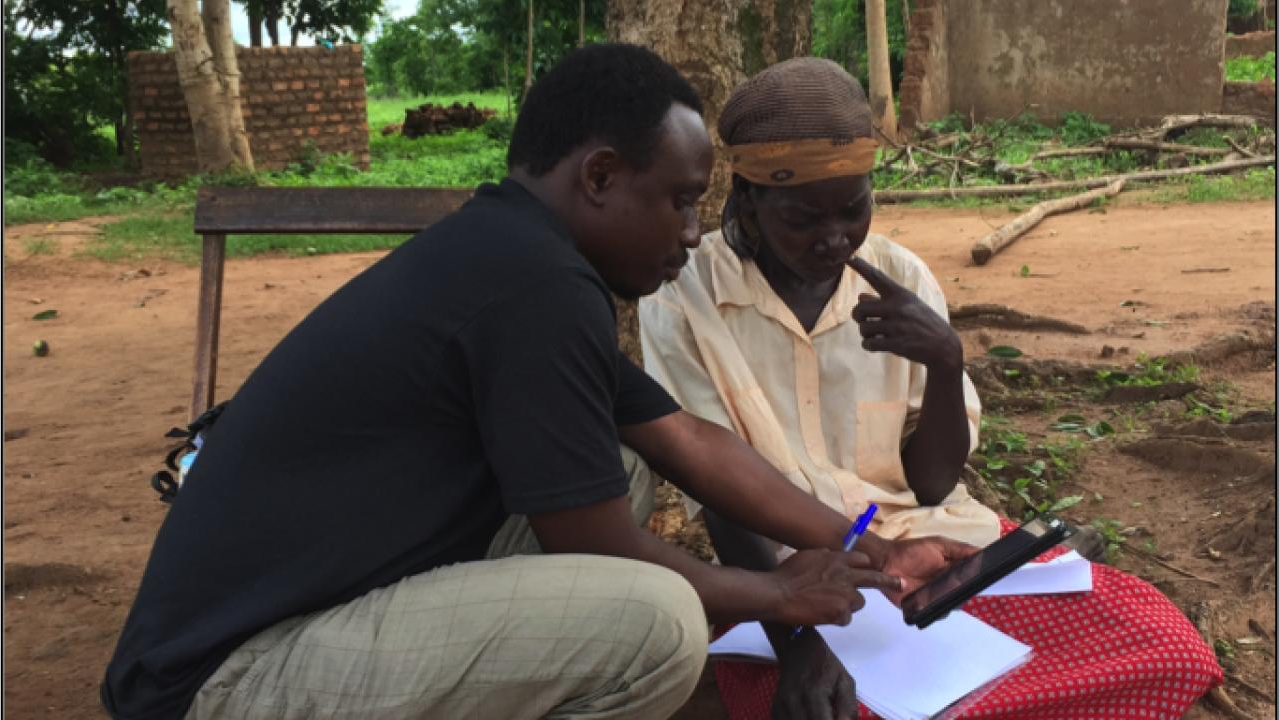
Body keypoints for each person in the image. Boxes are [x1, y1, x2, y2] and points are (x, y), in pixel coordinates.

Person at [100, 45, 975, 720]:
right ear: (598, 177)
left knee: (629, 462)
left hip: (281, 624)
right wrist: (779, 595)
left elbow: (686, 441)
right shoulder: (535, 287)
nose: (688, 232)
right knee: (657, 624)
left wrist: (869, 546)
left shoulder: (515, 254)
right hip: (230, 682)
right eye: (678, 200)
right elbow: (599, 544)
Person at [639, 58, 1222, 719]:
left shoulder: (901, 276)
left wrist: (947, 363)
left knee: (1166, 647)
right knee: (856, 710)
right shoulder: (685, 300)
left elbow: (934, 485)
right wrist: (797, 640)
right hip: (794, 587)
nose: (835, 239)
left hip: (936, 550)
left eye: (854, 209)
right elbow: (719, 493)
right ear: (747, 198)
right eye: (804, 218)